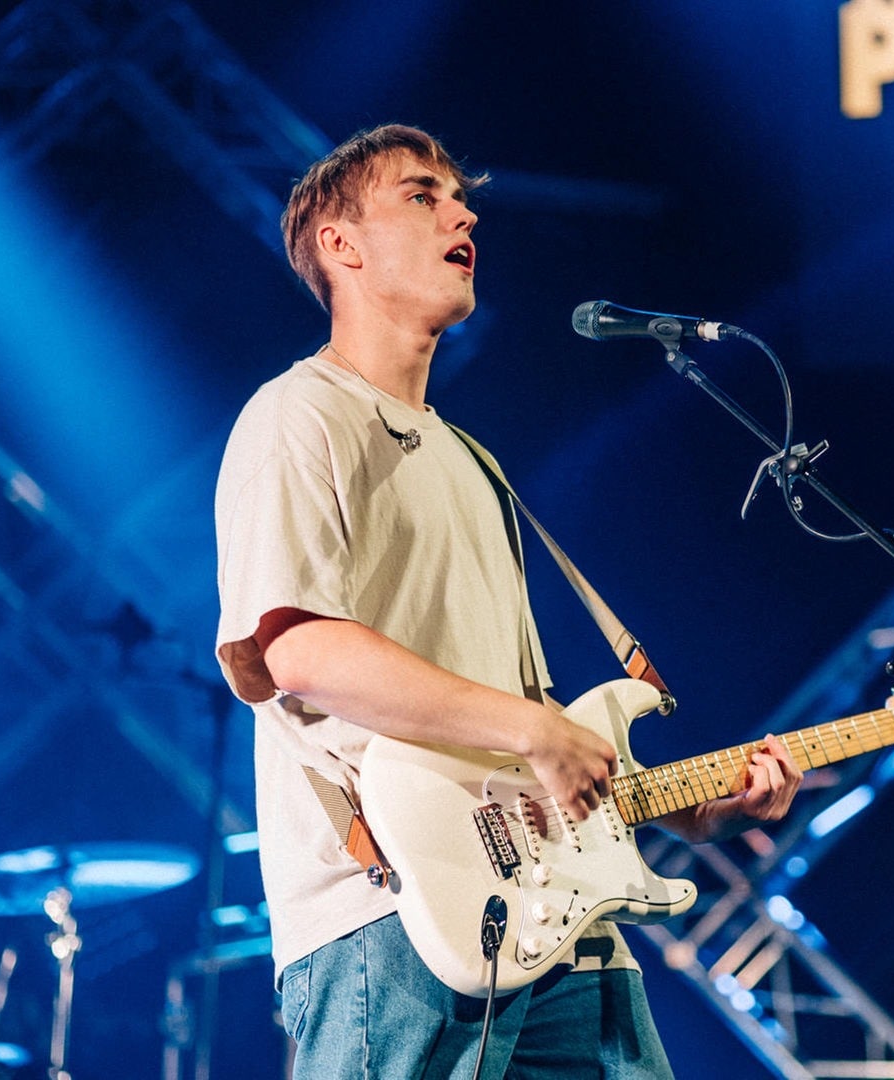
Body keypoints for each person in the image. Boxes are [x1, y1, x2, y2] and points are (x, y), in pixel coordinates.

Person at [213, 123, 803, 1079]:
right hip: (391, 920)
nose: (465, 211)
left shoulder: (471, 459)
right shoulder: (299, 415)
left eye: (460, 195)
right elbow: (298, 652)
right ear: (341, 245)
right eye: (423, 194)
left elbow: (507, 762)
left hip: (559, 928)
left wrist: (690, 811)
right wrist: (533, 727)